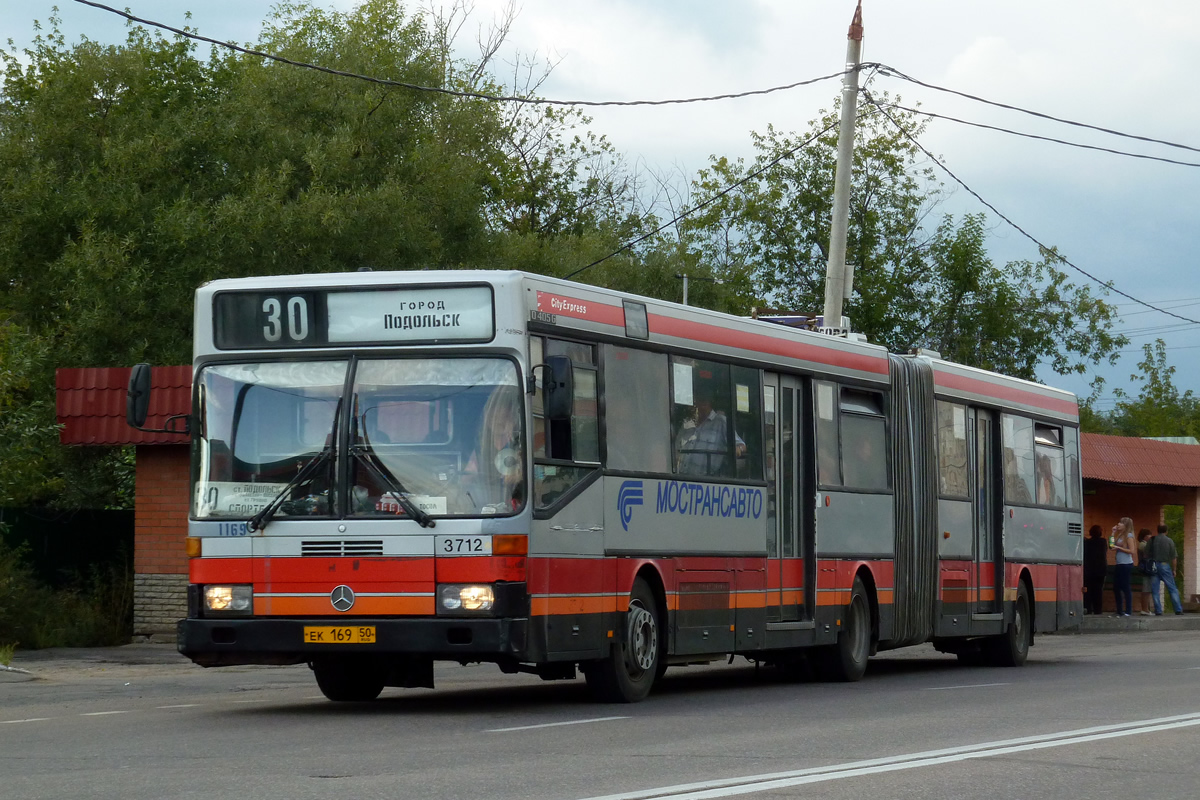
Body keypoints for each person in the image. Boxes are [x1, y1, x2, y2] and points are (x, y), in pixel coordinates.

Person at [676, 390, 744, 476]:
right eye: (697, 402)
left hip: (707, 482)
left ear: (710, 403)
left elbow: (741, 445)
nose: (699, 406)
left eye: (703, 402)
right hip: (680, 479)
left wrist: (738, 448)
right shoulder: (687, 423)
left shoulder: (721, 422)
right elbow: (676, 448)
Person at [1149, 523, 1185, 616]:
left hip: (1153, 565)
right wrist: (1174, 569)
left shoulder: (1152, 540)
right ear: (1166, 531)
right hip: (1165, 565)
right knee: (1172, 588)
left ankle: (1158, 610)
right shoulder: (1169, 541)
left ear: (1157, 530)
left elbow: (1146, 554)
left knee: (1155, 590)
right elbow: (1174, 557)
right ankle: (1178, 609)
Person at [1110, 517, 1136, 617]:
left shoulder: (1129, 536)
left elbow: (1132, 551)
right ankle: (1119, 609)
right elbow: (1111, 546)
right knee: (1116, 587)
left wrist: (1119, 548)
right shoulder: (1119, 535)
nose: (1118, 524)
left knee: (1125, 587)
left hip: (1126, 564)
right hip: (1119, 564)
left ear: (1126, 525)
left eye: (1121, 523)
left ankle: (1128, 610)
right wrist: (1113, 533)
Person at [1082, 525, 1109, 615]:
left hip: (1089, 569)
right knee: (1098, 591)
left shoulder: (1087, 542)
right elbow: (1109, 548)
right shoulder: (1103, 541)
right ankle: (1098, 610)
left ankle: (1088, 608)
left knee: (1088, 590)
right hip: (1101, 569)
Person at [1136, 529, 1155, 615]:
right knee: (1146, 590)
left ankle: (1146, 608)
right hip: (1146, 569)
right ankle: (1145, 609)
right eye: (1149, 535)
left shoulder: (1143, 544)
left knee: (1147, 589)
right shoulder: (1143, 545)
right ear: (1145, 536)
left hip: (1145, 568)